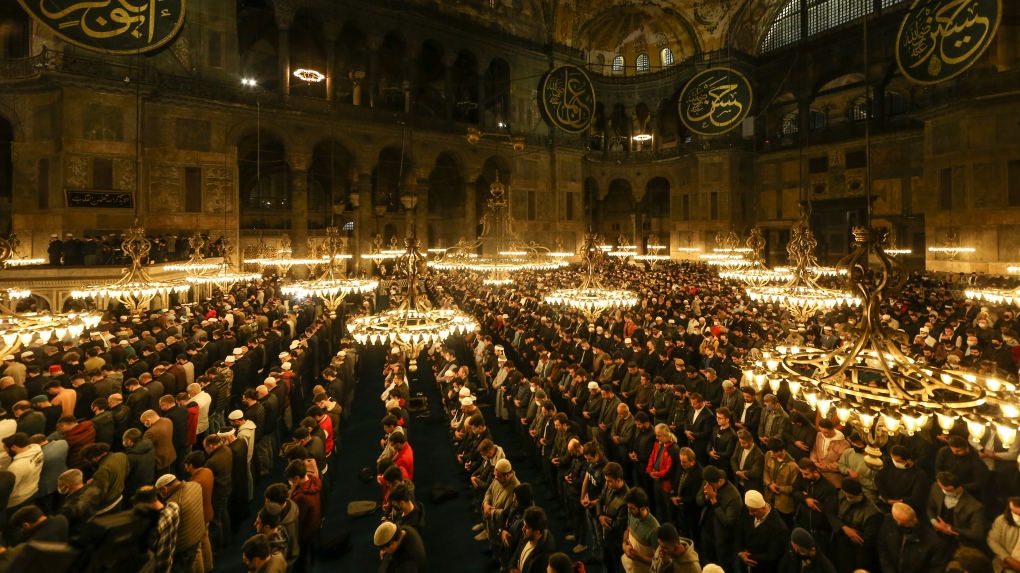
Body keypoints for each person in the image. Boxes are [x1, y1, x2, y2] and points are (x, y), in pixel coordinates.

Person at [926, 470, 988, 552]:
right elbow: (930, 507)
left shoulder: (975, 507)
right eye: (942, 488)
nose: (943, 491)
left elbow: (977, 534)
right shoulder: (936, 487)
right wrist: (935, 523)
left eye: (948, 490)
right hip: (937, 537)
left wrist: (949, 528)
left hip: (958, 543)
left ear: (959, 488)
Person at [877, 502, 946, 573]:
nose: (898, 524)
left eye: (903, 523)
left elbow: (937, 568)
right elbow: (883, 549)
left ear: (914, 520)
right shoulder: (888, 522)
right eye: (896, 520)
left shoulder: (933, 541)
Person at [696, 465, 742, 572]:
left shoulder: (733, 496)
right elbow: (698, 500)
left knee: (724, 565)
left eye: (710, 484)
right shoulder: (709, 481)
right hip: (707, 530)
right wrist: (706, 497)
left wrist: (713, 500)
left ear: (720, 481)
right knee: (709, 559)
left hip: (722, 539)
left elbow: (728, 522)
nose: (707, 486)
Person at [737, 489, 789, 573]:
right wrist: (740, 552)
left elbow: (773, 556)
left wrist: (749, 557)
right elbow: (739, 532)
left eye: (754, 511)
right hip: (745, 567)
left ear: (763, 507)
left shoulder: (779, 528)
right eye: (749, 509)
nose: (750, 513)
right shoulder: (749, 509)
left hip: (763, 569)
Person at [622, 486, 660, 573]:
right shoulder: (632, 514)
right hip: (628, 566)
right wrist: (624, 545)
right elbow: (627, 530)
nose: (628, 510)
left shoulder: (654, 529)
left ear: (642, 508)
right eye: (628, 507)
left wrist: (637, 556)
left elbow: (657, 562)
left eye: (632, 508)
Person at [509, 506, 555, 573]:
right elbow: (517, 552)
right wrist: (512, 568)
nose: (522, 529)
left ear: (537, 532)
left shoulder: (543, 558)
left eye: (527, 527)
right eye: (524, 525)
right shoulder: (527, 535)